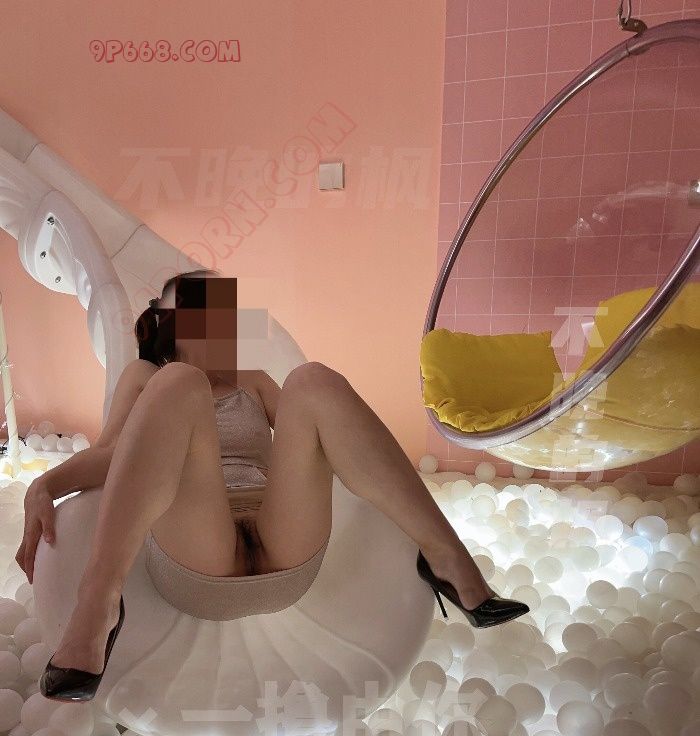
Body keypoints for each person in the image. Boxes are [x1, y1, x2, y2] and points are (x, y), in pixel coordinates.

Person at [18, 270, 528, 701]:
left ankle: (447, 557)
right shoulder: (148, 377)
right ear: (169, 323)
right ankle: (100, 602)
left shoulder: (255, 380)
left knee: (313, 380)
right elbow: (113, 457)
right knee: (180, 382)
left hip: (284, 551)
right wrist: (45, 483)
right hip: (198, 556)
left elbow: (328, 437)